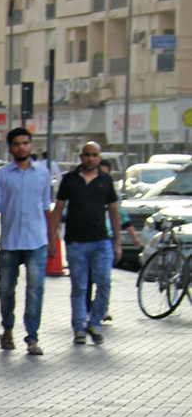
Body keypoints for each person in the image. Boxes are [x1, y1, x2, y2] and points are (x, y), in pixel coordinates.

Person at [0, 128, 53, 355]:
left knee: (35, 289)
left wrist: (52, 238)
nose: (21, 147)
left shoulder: (43, 174)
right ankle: (7, 330)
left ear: (31, 146)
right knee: (6, 289)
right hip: (10, 242)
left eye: (25, 143)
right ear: (10, 148)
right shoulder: (2, 175)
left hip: (37, 241)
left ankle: (32, 337)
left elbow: (46, 207)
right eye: (16, 144)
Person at [52, 141, 122, 343]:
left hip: (101, 242)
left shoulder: (106, 180)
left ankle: (95, 322)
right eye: (87, 154)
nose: (90, 158)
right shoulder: (70, 180)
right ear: (81, 156)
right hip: (76, 242)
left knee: (104, 284)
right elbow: (58, 209)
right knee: (79, 287)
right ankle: (79, 327)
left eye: (94, 155)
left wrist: (117, 242)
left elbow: (114, 211)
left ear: (99, 158)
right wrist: (52, 237)